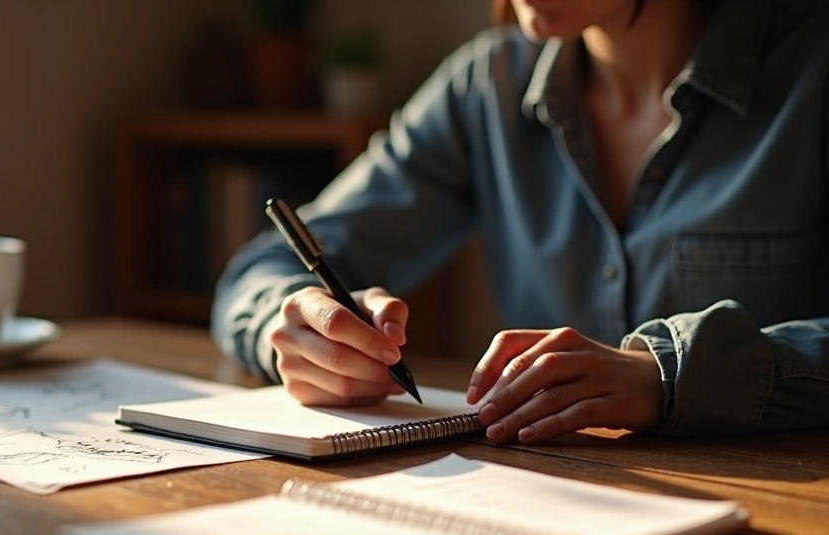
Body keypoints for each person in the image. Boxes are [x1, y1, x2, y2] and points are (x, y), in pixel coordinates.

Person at [211, 0, 829, 444]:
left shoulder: (811, 66)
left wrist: (669, 376)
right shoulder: (487, 88)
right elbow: (261, 270)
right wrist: (293, 326)